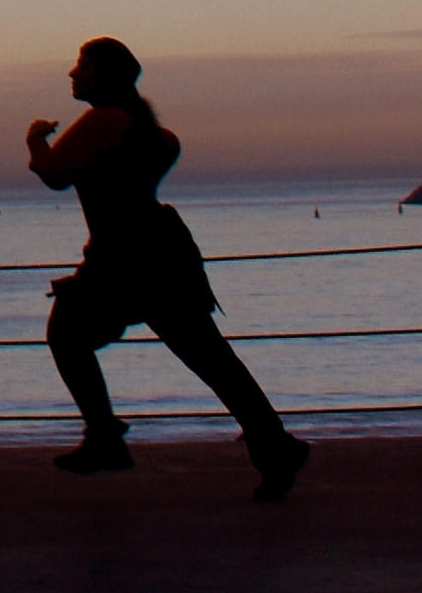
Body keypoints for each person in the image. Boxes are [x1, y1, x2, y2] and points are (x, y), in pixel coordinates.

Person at [25, 36, 311, 501]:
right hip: (164, 249)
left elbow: (56, 175)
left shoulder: (104, 120)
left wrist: (35, 139)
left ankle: (106, 438)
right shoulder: (158, 136)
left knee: (68, 333)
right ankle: (274, 445)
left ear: (105, 76)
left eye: (83, 65)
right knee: (210, 358)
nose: (73, 73)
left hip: (123, 255)